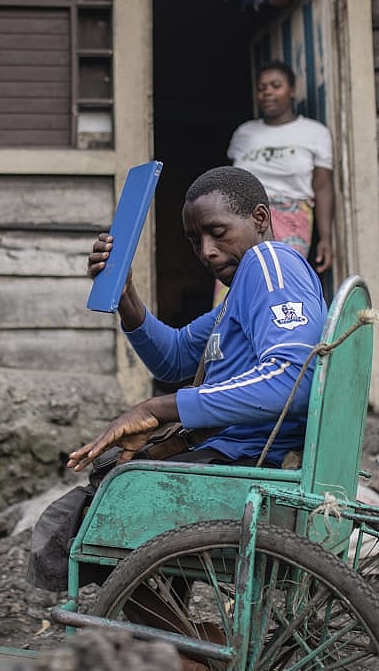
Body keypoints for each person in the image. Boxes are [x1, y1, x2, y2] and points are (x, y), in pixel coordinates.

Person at [27, 166, 327, 594]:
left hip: (249, 468)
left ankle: (173, 649)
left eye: (218, 232)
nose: (206, 251)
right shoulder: (240, 290)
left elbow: (294, 380)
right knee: (101, 493)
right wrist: (125, 293)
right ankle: (175, 641)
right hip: (229, 460)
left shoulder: (270, 263)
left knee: (94, 512)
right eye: (194, 240)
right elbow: (174, 358)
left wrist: (154, 408)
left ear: (260, 219)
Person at [227, 60, 334, 276]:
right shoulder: (244, 134)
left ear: (292, 90)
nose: (267, 92)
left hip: (292, 219)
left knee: (281, 281)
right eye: (261, 88)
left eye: (276, 85)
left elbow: (322, 187)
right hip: (243, 219)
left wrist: (325, 238)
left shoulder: (314, 132)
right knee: (238, 283)